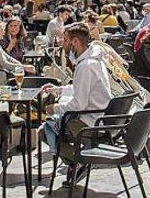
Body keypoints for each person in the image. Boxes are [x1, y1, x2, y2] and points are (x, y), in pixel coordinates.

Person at [40, 23, 113, 176]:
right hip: (100, 116)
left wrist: (54, 108)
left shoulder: (86, 65)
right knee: (54, 124)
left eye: (65, 40)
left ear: (75, 42)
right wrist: (59, 89)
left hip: (91, 121)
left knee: (45, 131)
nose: (62, 44)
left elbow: (79, 104)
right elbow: (82, 88)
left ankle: (79, 160)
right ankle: (78, 162)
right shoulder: (93, 59)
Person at [0, 19, 35, 86]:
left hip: (3, 73)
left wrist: (22, 66)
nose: (3, 32)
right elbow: (4, 63)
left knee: (31, 76)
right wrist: (23, 67)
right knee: (31, 79)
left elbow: (9, 58)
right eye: (1, 30)